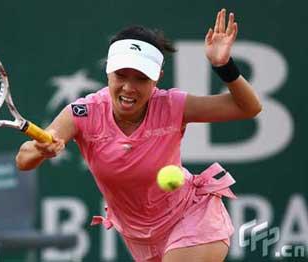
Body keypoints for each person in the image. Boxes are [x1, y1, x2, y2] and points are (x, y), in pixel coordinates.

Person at [16, 9, 262, 262]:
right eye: (121, 75)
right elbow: (24, 159)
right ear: (108, 72)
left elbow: (248, 107)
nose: (129, 88)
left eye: (142, 79)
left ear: (157, 80)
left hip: (193, 218)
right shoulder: (83, 112)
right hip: (140, 236)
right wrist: (40, 150)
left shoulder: (172, 105)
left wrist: (224, 67)